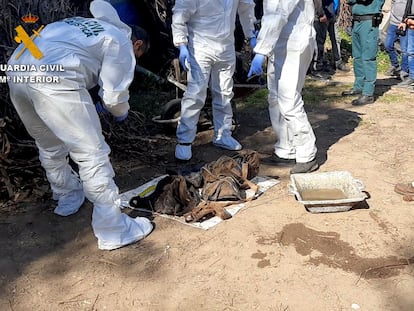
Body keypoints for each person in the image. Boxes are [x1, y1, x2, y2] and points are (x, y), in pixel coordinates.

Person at [6, 0, 152, 250]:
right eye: (138, 56)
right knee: (91, 152)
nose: (135, 61)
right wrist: (120, 112)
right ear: (137, 44)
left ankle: (67, 197)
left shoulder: (86, 25)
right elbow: (114, 98)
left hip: (17, 69)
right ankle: (113, 229)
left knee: (48, 143)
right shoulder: (121, 42)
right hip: (55, 79)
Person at [171, 0, 257, 161]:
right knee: (195, 94)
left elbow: (246, 7)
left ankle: (223, 134)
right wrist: (181, 44)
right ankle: (184, 140)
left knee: (225, 93)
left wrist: (251, 34)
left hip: (226, 47)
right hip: (199, 48)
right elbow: (180, 15)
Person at [247, 0, 319, 174]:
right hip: (280, 43)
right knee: (274, 98)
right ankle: (285, 149)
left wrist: (261, 51)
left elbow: (277, 14)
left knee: (288, 100)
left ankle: (306, 154)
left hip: (294, 43)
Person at [341, 0, 385, 106]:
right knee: (357, 57)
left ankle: (368, 93)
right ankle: (359, 87)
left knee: (368, 57)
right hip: (357, 21)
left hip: (369, 21)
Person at [314, 0, 350, 74]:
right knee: (320, 41)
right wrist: (321, 14)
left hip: (333, 15)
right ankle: (319, 64)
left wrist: (336, 13)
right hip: (324, 15)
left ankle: (337, 61)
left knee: (336, 39)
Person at [384, 0, 409, 81]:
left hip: (406, 24)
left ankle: (404, 71)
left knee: (405, 49)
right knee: (388, 44)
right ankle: (395, 66)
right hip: (393, 23)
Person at [395, 0, 414, 88]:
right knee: (410, 52)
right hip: (410, 24)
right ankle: (412, 77)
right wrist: (404, 21)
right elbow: (408, 6)